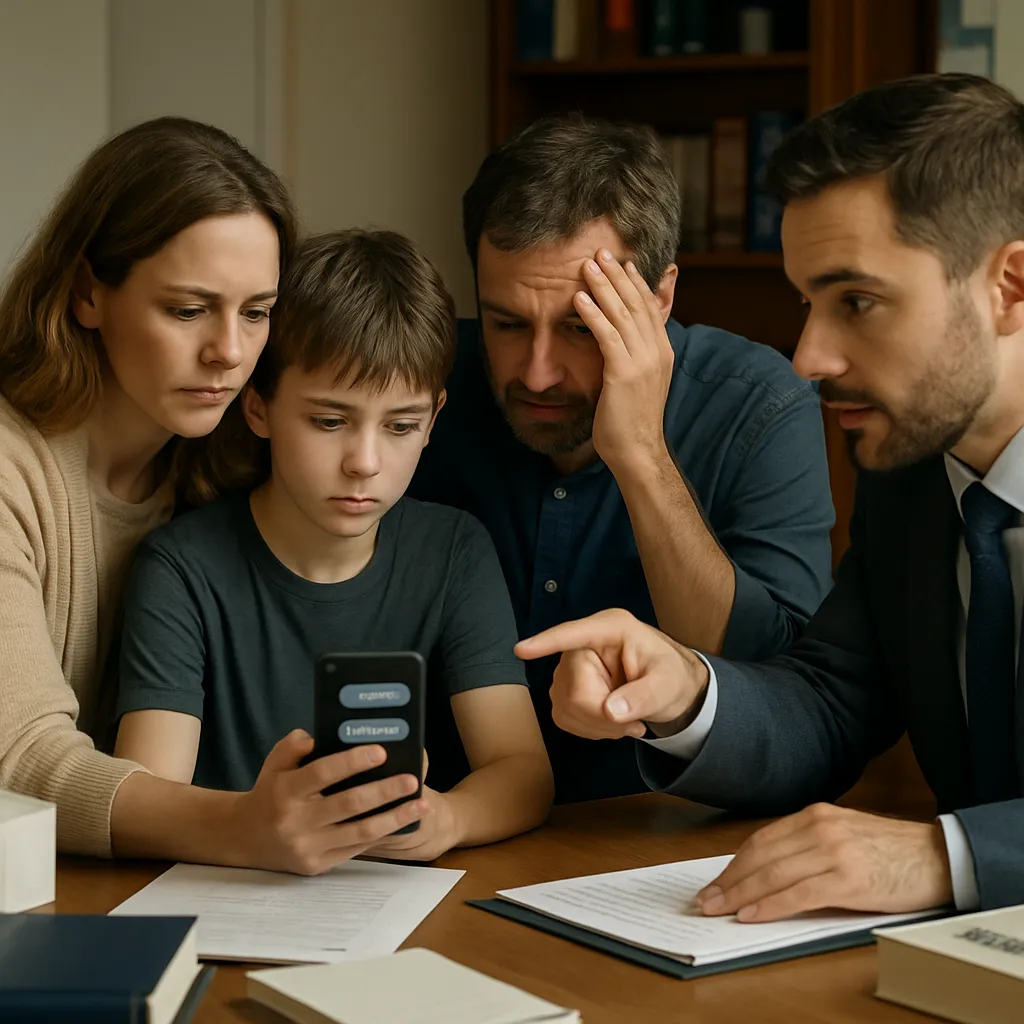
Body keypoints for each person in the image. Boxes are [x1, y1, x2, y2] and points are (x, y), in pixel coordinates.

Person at [516, 73, 1024, 916]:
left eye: (857, 300)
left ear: (1009, 286)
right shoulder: (908, 480)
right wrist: (686, 692)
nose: (809, 357)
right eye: (808, 302)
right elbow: (829, 707)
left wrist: (948, 854)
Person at [0, 118, 438, 874]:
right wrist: (242, 824)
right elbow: (22, 759)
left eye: (257, 312)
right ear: (85, 293)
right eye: (188, 310)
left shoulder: (242, 464)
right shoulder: (14, 469)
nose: (229, 353)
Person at [410, 113, 835, 801]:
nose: (538, 373)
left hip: (661, 832)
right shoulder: (421, 386)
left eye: (582, 326)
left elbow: (775, 689)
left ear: (661, 297)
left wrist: (640, 453)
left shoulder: (758, 406)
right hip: (444, 827)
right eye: (507, 323)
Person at [113, 230, 554, 862]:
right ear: (259, 408)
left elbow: (522, 771)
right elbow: (144, 798)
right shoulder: (182, 568)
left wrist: (447, 819)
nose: (365, 463)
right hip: (226, 892)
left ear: (433, 419)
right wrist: (255, 826)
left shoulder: (454, 549)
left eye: (401, 426)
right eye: (329, 421)